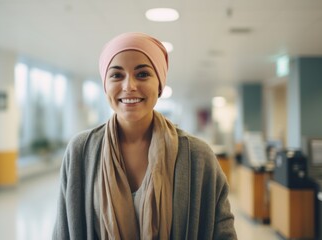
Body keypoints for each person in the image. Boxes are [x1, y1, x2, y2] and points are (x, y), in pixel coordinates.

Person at [53, 32, 237, 239]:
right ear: (105, 85)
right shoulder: (81, 151)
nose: (129, 86)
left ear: (159, 85)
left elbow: (223, 233)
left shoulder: (197, 156)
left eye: (142, 74)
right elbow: (63, 232)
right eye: (116, 75)